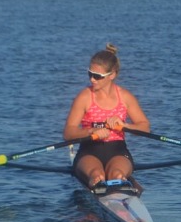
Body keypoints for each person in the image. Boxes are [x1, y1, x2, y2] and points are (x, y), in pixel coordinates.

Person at [63, 43, 150, 191]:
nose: (92, 80)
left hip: (118, 150)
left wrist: (125, 126)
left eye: (97, 76)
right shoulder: (84, 97)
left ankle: (119, 186)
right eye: (89, 74)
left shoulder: (125, 97)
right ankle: (97, 184)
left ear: (112, 75)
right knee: (97, 175)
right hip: (88, 150)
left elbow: (145, 127)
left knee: (117, 175)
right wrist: (90, 132)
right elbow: (68, 133)